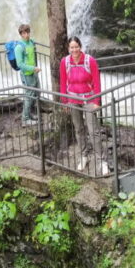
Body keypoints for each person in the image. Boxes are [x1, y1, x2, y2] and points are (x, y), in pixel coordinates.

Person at [58, 36, 106, 173]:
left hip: (89, 100)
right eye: (71, 47)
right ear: (68, 48)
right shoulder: (65, 62)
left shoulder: (89, 60)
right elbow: (63, 82)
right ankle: (84, 156)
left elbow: (97, 82)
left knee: (94, 131)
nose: (74, 50)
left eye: (76, 47)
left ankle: (101, 160)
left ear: (80, 47)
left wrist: (97, 101)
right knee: (79, 130)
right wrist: (64, 101)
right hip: (72, 100)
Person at [15, 24, 41, 125]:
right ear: (21, 34)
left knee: (36, 93)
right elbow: (20, 64)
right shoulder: (19, 47)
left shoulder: (31, 43)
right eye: (24, 33)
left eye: (28, 32)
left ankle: (29, 114)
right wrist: (33, 68)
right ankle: (25, 119)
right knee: (29, 95)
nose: (26, 35)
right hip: (27, 74)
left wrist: (35, 68)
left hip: (33, 73)